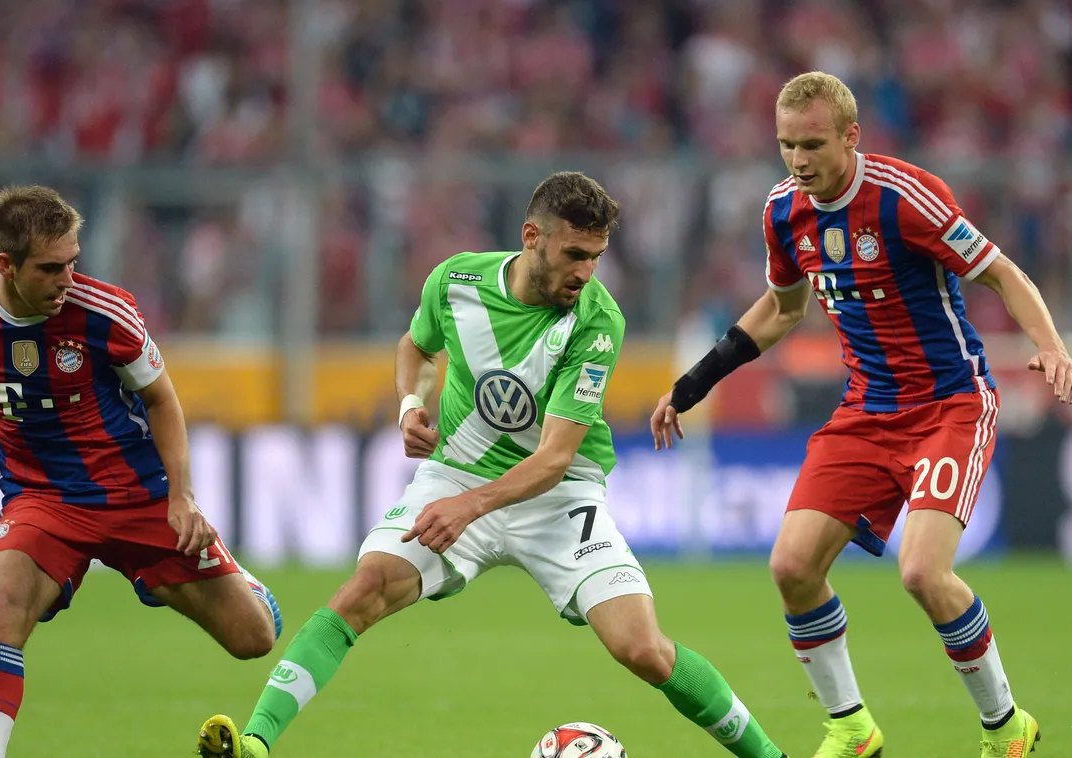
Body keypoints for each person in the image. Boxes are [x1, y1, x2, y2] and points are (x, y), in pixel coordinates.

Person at [196, 172, 789, 758]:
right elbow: (416, 346)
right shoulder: (456, 280)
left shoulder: (596, 321)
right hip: (457, 472)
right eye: (575, 254)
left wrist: (469, 507)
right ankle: (254, 744)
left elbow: (555, 458)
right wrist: (410, 403)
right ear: (532, 236)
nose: (586, 273)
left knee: (644, 650)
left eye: (597, 257)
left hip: (560, 496)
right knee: (365, 588)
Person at [652, 72, 1072, 758]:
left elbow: (999, 271)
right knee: (790, 566)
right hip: (866, 411)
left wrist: (1050, 346)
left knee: (921, 574)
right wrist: (696, 380)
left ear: (850, 137)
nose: (797, 161)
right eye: (785, 145)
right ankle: (851, 728)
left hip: (949, 406)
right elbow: (782, 310)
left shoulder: (905, 197)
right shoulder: (782, 210)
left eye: (811, 144)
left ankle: (1006, 729)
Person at [0, 185, 283, 758]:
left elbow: (164, 402)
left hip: (135, 495)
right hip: (41, 500)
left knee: (253, 640)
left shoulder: (106, 312)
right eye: (50, 268)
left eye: (73, 261)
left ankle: (239, 582)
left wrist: (182, 497)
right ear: (6, 266)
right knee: (0, 606)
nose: (67, 277)